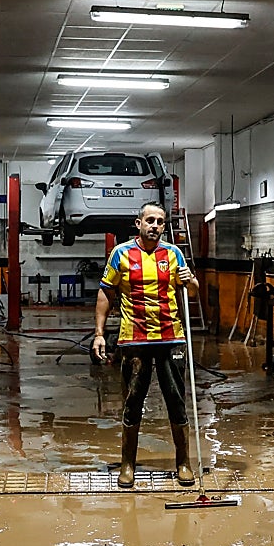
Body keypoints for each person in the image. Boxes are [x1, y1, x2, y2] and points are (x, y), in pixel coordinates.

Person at [91, 202, 200, 488]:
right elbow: (106, 293)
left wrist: (191, 282)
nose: (155, 225)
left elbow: (193, 291)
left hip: (170, 338)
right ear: (138, 223)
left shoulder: (174, 254)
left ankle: (183, 463)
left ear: (165, 226)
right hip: (134, 340)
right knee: (132, 402)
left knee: (176, 401)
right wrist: (99, 333)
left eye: (160, 221)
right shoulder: (122, 254)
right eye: (150, 220)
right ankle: (127, 465)